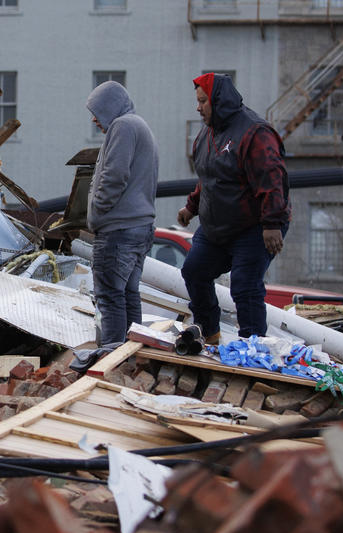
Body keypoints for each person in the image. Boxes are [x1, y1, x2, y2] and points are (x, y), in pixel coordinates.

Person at [177, 72, 290, 342]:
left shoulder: (254, 133)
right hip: (217, 227)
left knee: (245, 286)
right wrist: (191, 207)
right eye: (197, 101)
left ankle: (252, 347)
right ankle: (208, 332)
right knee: (194, 271)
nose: (198, 107)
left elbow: (272, 179)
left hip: (254, 226)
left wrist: (272, 223)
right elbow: (210, 178)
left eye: (203, 101)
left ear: (219, 101)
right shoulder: (206, 136)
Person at [85, 80, 159, 353]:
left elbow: (113, 177)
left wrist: (98, 210)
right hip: (138, 228)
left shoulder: (123, 126)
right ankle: (130, 359)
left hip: (119, 231)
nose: (94, 119)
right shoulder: (139, 126)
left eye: (98, 111)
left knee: (110, 298)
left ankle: (112, 361)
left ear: (110, 108)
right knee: (127, 297)